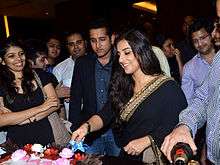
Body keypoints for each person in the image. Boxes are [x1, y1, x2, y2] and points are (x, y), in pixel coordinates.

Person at [71, 29, 187, 162]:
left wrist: (148, 140)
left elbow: (179, 124)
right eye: (119, 54)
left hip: (154, 157)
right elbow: (106, 113)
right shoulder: (123, 84)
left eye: (127, 53)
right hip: (127, 155)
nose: (121, 59)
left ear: (141, 51)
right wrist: (86, 126)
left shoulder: (168, 87)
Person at [161, 2, 220, 163]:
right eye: (196, 41)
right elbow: (200, 99)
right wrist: (185, 125)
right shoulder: (207, 64)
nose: (216, 32)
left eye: (203, 37)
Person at [69, 18, 120, 156]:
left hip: (117, 131)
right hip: (89, 132)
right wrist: (74, 128)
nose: (98, 45)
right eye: (93, 40)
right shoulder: (82, 63)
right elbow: (75, 99)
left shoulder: (122, 63)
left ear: (112, 38)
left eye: (102, 39)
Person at [0, 39, 59, 147]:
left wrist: (22, 120)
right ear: (2, 61)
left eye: (21, 54)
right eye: (11, 56)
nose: (19, 59)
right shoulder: (1, 85)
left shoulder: (40, 75)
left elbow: (55, 104)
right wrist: (42, 107)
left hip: (48, 138)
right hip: (17, 143)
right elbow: (2, 120)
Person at [53, 31, 87, 120]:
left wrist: (77, 96)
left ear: (85, 43)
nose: (76, 47)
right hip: (70, 121)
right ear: (67, 47)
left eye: (79, 42)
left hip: (95, 120)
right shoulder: (59, 68)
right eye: (71, 44)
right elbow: (54, 97)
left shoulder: (96, 63)